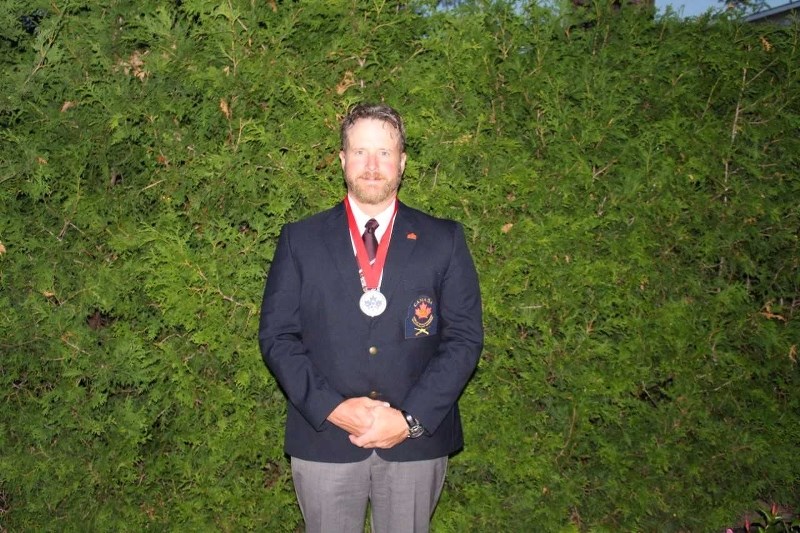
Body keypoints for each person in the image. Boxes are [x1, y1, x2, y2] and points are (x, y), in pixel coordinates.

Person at [258, 102, 483, 533]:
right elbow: (277, 336)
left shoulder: (444, 240)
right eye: (360, 152)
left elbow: (464, 338)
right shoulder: (299, 240)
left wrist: (409, 419)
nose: (372, 165)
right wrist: (334, 408)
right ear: (342, 160)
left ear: (402, 162)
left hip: (414, 444)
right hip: (324, 439)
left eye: (384, 152)